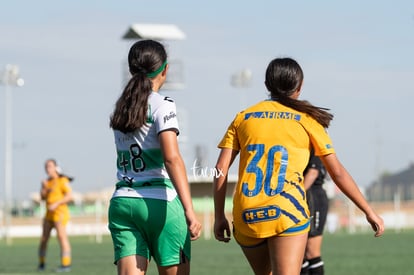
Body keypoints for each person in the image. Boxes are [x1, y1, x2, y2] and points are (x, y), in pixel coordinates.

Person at [213, 57, 384, 275]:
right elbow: (337, 172)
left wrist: (219, 215)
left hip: (248, 213)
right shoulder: (308, 119)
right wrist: (368, 211)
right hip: (287, 210)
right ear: (300, 87)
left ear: (267, 86)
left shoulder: (243, 117)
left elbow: (220, 169)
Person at [108, 39, 202, 275]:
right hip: (160, 202)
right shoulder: (163, 105)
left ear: (131, 70)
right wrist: (189, 210)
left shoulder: (121, 107)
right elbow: (172, 158)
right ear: (165, 69)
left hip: (123, 202)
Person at [38, 158, 73, 272]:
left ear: (55, 167)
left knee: (62, 238)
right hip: (49, 214)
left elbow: (69, 196)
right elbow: (42, 198)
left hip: (60, 213)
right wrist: (44, 188)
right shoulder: (47, 182)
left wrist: (57, 203)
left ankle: (66, 264)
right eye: (46, 167)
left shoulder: (62, 180)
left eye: (50, 166)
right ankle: (41, 264)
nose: (47, 169)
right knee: (44, 239)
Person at [300, 151, 329, 275]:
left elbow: (313, 172)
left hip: (313, 197)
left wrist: (297, 193)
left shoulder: (316, 140)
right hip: (300, 198)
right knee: (298, 254)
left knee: (312, 252)